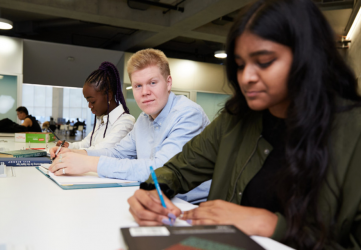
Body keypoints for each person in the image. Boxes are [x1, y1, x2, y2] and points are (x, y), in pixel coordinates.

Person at [127, 0, 361, 249]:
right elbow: (179, 168)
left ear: (307, 57)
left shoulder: (352, 132)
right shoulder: (234, 119)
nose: (246, 77)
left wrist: (270, 224)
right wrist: (153, 190)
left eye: (264, 61)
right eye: (240, 65)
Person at [49, 49, 212, 203]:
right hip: (157, 198)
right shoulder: (143, 119)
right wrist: (77, 153)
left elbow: (161, 170)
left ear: (168, 83)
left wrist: (89, 163)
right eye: (138, 86)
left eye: (153, 82)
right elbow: (118, 152)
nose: (145, 92)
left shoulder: (188, 114)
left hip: (192, 205)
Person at [53, 62, 135, 150]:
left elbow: (100, 150)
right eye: (88, 101)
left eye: (92, 101)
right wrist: (69, 146)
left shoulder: (126, 122)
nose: (89, 106)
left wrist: (71, 152)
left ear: (109, 96)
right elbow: (86, 144)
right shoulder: (102, 119)